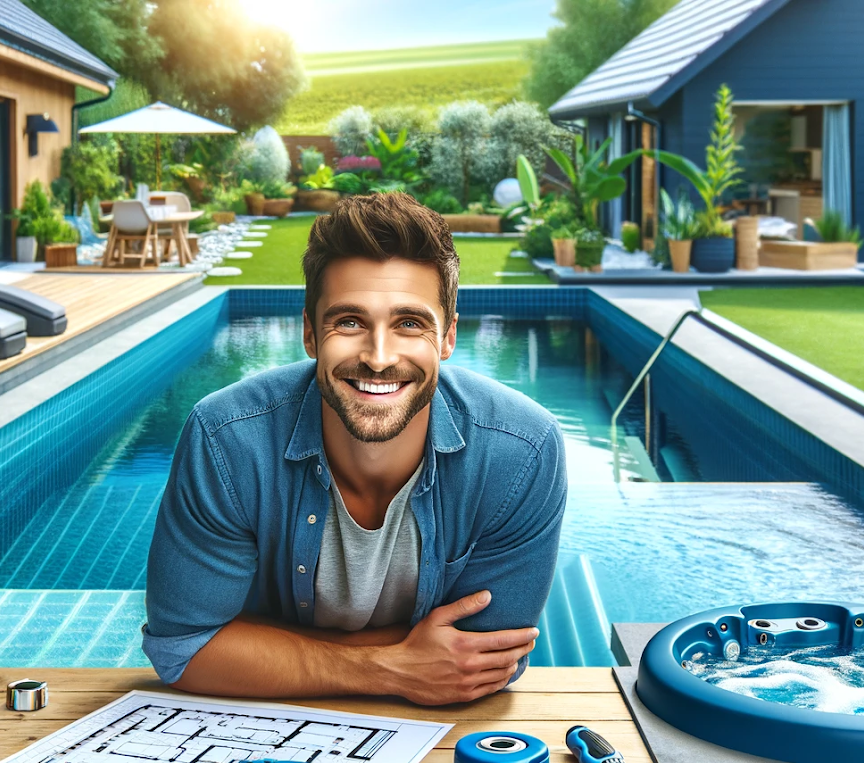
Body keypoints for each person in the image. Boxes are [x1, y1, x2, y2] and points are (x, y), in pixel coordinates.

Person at [143, 193, 566, 706]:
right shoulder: (228, 438)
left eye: (410, 323)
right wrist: (389, 668)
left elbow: (486, 660)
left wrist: (259, 647)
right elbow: (185, 649)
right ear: (309, 333)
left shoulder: (521, 452)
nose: (379, 358)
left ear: (448, 336)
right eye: (349, 322)